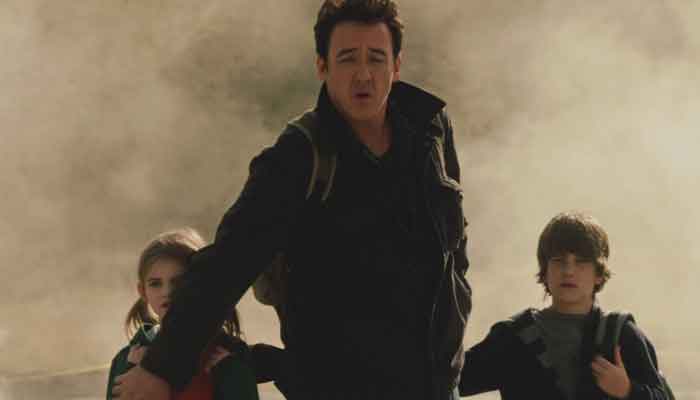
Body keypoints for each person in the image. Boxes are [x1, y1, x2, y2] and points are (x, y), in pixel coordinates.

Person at [113, 1, 471, 399]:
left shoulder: (430, 130)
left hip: (435, 387)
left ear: (396, 66)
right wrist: (162, 367)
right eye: (347, 59)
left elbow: (455, 250)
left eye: (376, 58)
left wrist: (456, 324)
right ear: (322, 66)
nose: (363, 74)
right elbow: (227, 264)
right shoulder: (298, 157)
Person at [458, 212, 671, 400]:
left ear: (598, 273)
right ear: (545, 270)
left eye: (581, 262)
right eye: (559, 260)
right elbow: (448, 381)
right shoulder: (513, 337)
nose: (569, 271)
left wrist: (627, 391)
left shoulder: (621, 335)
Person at [106, 228, 259, 400]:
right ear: (142, 291)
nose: (167, 292)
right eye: (155, 283)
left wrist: (232, 376)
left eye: (178, 282)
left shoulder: (226, 357)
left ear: (198, 286)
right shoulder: (127, 358)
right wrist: (130, 370)